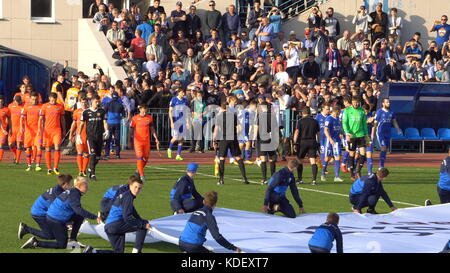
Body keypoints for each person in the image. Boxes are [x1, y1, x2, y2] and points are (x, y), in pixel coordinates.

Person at [21, 177, 100, 250]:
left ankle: (73, 240)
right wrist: (95, 217)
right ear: (79, 186)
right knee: (62, 245)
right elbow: (78, 210)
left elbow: (74, 210)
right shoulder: (74, 194)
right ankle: (36, 243)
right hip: (56, 219)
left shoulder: (73, 191)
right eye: (85, 186)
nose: (87, 188)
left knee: (79, 217)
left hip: (54, 216)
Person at [85, 177, 151, 253]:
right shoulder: (128, 196)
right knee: (142, 225)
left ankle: (92, 251)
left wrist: (139, 219)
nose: (137, 190)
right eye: (135, 187)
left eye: (139, 188)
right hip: (116, 225)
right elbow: (127, 218)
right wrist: (142, 224)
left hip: (109, 226)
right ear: (130, 186)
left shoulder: (125, 195)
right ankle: (136, 251)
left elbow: (132, 209)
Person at [18, 174, 73, 242]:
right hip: (39, 213)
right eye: (71, 183)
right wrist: (68, 222)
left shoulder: (59, 190)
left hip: (42, 211)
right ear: (65, 184)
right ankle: (26, 229)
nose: (72, 185)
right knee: (49, 235)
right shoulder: (57, 193)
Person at [213, 101, 249, 185]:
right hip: (233, 138)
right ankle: (244, 178)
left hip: (224, 138)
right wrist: (235, 134)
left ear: (221, 108)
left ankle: (221, 180)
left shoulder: (219, 116)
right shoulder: (233, 116)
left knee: (222, 158)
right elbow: (240, 128)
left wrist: (214, 140)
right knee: (238, 158)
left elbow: (216, 130)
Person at [77, 95, 108, 181]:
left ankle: (91, 168)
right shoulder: (86, 112)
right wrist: (78, 135)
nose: (97, 103)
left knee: (97, 157)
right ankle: (92, 174)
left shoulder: (102, 111)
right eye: (96, 102)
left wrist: (107, 130)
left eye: (98, 102)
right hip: (90, 137)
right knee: (93, 154)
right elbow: (82, 124)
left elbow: (105, 122)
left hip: (99, 137)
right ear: (92, 102)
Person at [130, 104, 160, 181]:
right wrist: (130, 140)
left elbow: (152, 129)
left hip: (146, 141)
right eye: (143, 110)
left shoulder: (149, 118)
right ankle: (142, 175)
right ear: (140, 110)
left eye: (145, 111)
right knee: (140, 157)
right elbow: (131, 130)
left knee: (146, 158)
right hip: (138, 141)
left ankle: (138, 170)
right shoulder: (135, 118)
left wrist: (156, 138)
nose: (144, 112)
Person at [342, 96, 368, 180]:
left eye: (357, 102)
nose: (356, 104)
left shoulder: (362, 111)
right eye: (354, 102)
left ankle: (358, 170)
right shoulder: (347, 110)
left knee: (363, 154)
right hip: (352, 136)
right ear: (352, 102)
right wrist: (347, 133)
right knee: (352, 154)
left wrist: (366, 135)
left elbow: (364, 124)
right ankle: (352, 174)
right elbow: (344, 123)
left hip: (361, 135)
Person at [371, 98, 401, 169]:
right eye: (387, 102)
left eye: (389, 102)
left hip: (388, 132)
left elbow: (394, 121)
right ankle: (381, 166)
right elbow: (375, 123)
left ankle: (382, 164)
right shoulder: (379, 112)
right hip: (380, 132)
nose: (388, 103)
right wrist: (373, 133)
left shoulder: (391, 112)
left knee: (385, 150)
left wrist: (398, 129)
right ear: (383, 103)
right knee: (383, 148)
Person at [39, 93, 65, 175]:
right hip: (47, 130)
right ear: (49, 98)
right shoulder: (44, 106)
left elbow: (62, 119)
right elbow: (41, 119)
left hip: (57, 130)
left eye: (54, 99)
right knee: (48, 149)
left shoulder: (60, 106)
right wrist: (41, 129)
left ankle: (56, 167)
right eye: (52, 99)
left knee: (57, 147)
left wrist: (64, 129)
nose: (53, 101)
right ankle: (49, 168)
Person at [293, 107, 320, 185]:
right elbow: (318, 133)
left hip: (302, 142)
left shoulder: (300, 121)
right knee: (313, 161)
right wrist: (318, 142)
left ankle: (300, 179)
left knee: (300, 160)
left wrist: (294, 142)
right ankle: (314, 180)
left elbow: (297, 132)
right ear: (310, 113)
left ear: (302, 113)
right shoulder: (315, 121)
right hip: (312, 141)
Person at [253, 102, 279, 184]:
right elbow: (275, 129)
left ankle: (264, 179)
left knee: (263, 159)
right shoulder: (273, 116)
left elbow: (256, 127)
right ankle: (273, 178)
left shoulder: (259, 116)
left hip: (262, 139)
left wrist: (254, 139)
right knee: (272, 158)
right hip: (271, 139)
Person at [21, 92, 43, 172]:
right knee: (28, 148)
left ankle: (37, 165)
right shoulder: (26, 107)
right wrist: (22, 127)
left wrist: (41, 129)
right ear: (30, 99)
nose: (34, 101)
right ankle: (29, 165)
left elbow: (42, 120)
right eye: (33, 99)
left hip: (38, 131)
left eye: (36, 99)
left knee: (39, 147)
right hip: (28, 131)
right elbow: (22, 118)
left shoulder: (41, 107)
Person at [323, 106, 344, 182]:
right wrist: (330, 139)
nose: (339, 114)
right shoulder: (329, 118)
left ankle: (337, 176)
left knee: (338, 157)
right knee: (327, 158)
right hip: (329, 141)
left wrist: (341, 133)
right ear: (335, 112)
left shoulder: (338, 119)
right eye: (338, 112)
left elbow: (340, 128)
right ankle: (323, 174)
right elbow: (325, 130)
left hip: (337, 141)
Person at [168, 89, 189, 161]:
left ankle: (178, 155)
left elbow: (186, 112)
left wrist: (187, 122)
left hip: (182, 121)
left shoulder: (185, 101)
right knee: (176, 137)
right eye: (182, 92)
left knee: (181, 138)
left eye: (184, 92)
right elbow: (170, 111)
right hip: (176, 120)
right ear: (179, 93)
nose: (183, 93)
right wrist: (171, 121)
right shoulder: (174, 100)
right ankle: (169, 149)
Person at [70, 96, 89, 177]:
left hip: (88, 136)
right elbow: (74, 124)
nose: (84, 104)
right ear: (80, 103)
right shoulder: (76, 112)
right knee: (79, 152)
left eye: (85, 102)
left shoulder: (90, 111)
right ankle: (80, 170)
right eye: (82, 102)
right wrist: (71, 134)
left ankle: (84, 170)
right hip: (79, 135)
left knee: (87, 154)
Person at [104, 92, 125, 159]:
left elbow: (104, 111)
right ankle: (117, 154)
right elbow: (124, 115)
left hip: (110, 123)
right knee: (117, 139)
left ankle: (107, 154)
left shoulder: (109, 103)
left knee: (108, 139)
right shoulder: (120, 104)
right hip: (117, 123)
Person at [8, 95, 24, 164]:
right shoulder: (10, 106)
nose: (17, 103)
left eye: (19, 101)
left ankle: (17, 160)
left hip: (20, 128)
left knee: (19, 144)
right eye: (16, 101)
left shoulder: (23, 107)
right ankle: (15, 154)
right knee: (10, 144)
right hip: (12, 128)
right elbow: (8, 117)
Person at [0, 95, 11, 162]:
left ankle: (0, 159)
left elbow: (9, 120)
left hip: (2, 130)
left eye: (1, 101)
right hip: (2, 129)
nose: (0, 103)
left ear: (3, 102)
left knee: (1, 144)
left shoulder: (6, 110)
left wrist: (9, 129)